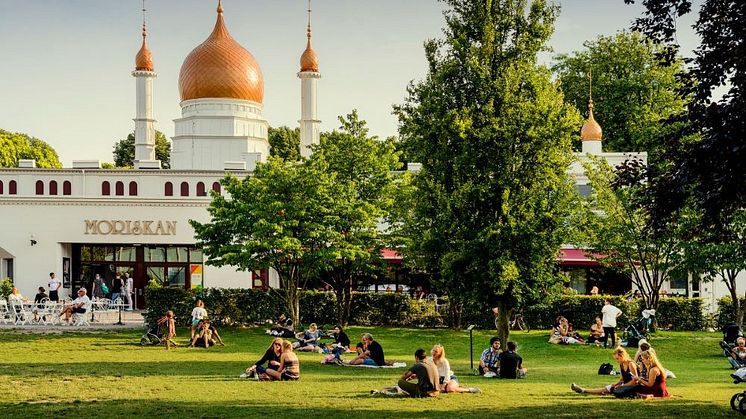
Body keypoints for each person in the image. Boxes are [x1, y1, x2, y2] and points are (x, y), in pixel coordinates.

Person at [571, 346, 639, 396]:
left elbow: (635, 381)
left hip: (632, 386)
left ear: (622, 356)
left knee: (611, 390)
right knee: (608, 388)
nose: (617, 360)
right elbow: (622, 379)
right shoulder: (621, 364)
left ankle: (583, 390)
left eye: (617, 358)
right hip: (626, 385)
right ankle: (583, 390)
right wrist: (616, 384)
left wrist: (621, 386)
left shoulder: (631, 364)